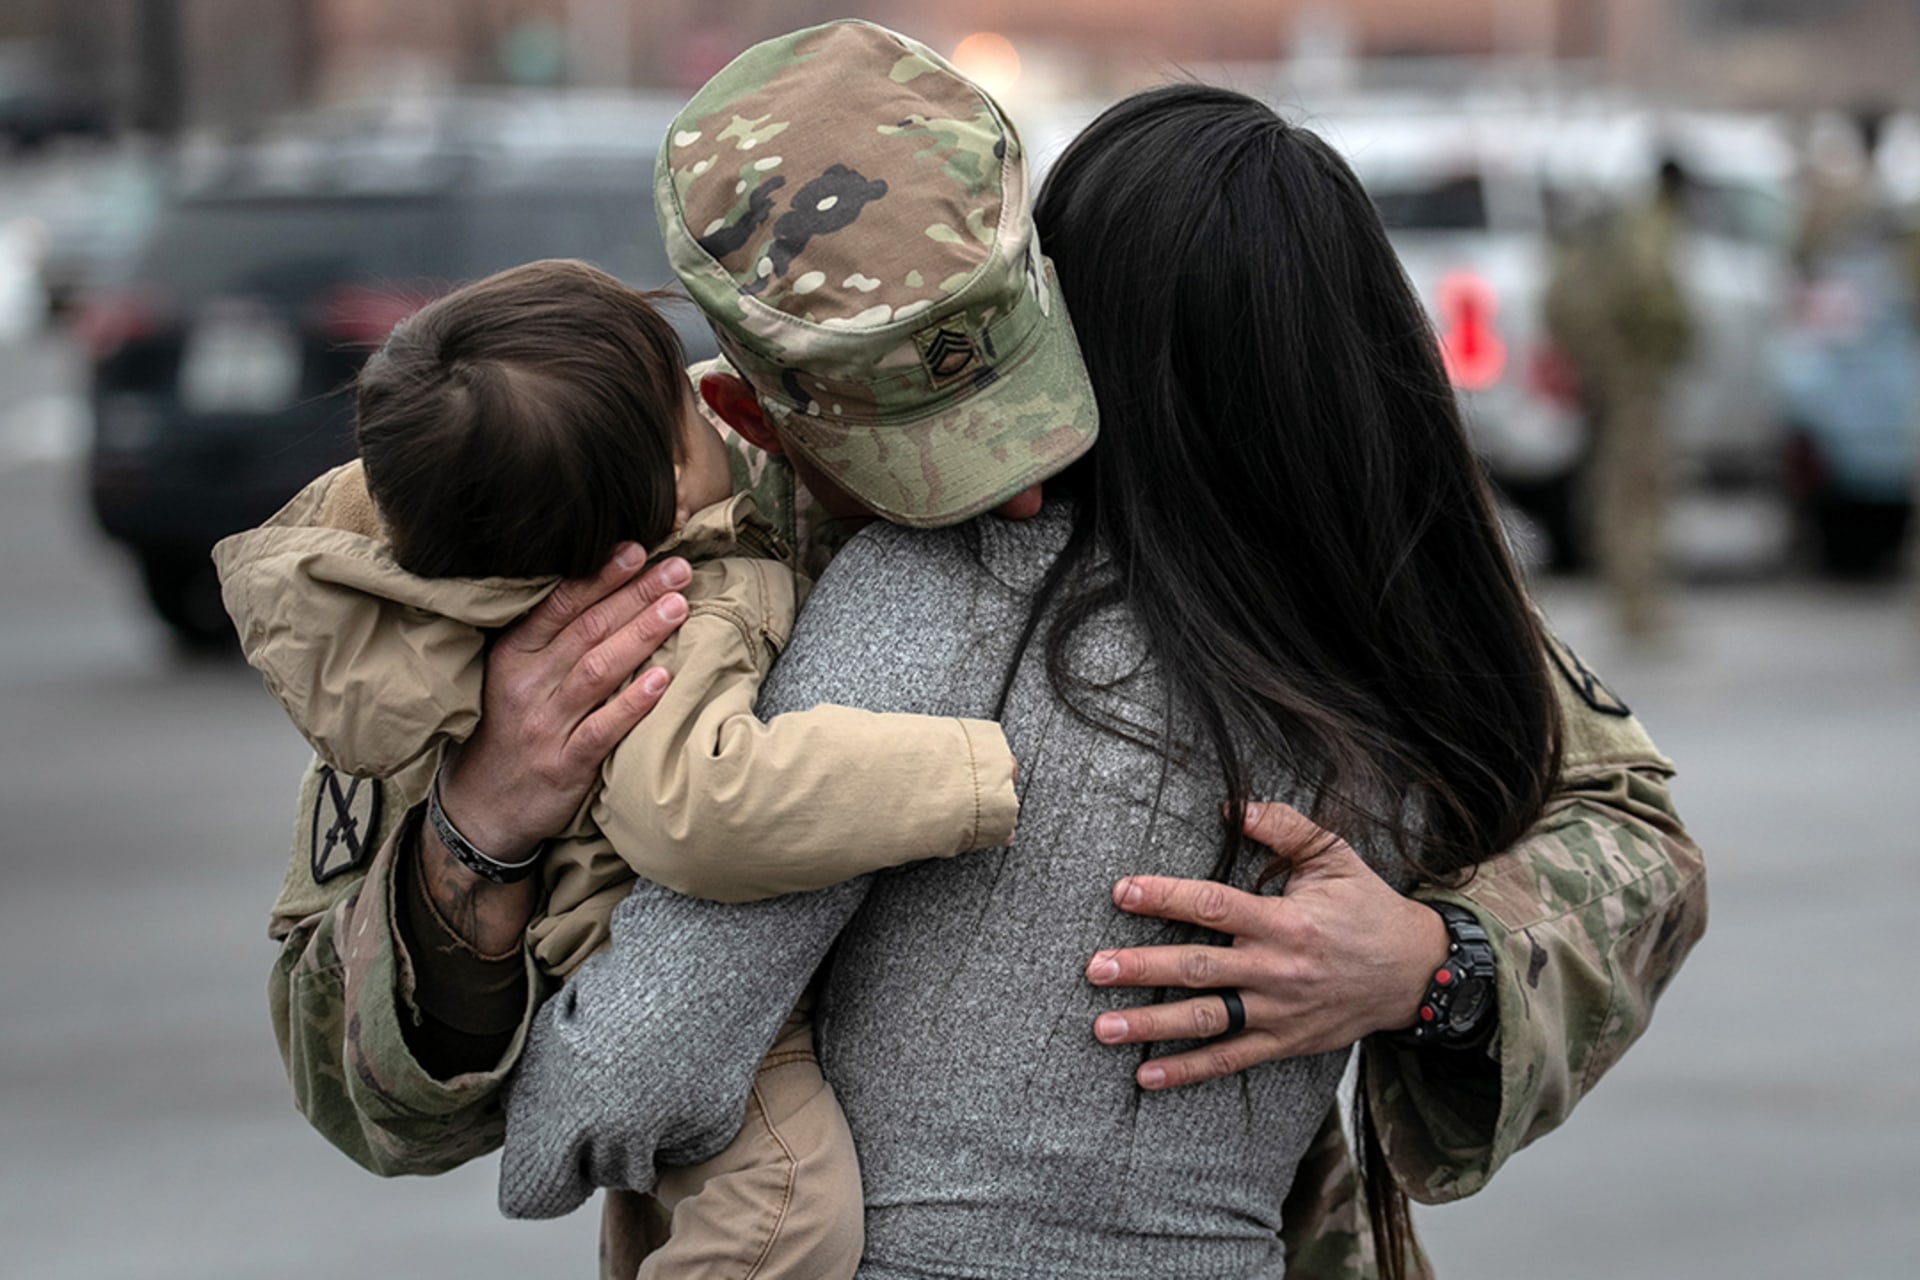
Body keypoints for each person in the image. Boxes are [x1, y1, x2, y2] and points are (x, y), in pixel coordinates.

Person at [259, 22, 1705, 1279]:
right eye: (926, 457)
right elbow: (377, 1100)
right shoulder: (573, 536)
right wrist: (480, 839)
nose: (1017, 495)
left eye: (1029, 409)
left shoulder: (1223, 496)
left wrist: (1431, 964)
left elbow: (1627, 825)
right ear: (754, 418)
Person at [214, 258, 1027, 1276]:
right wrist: (477, 837)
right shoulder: (471, 600)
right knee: (787, 1210)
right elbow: (363, 1097)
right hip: (727, 1084)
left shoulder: (612, 444)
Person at [1544, 157, 1695, 642]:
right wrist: (1669, 344)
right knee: (1637, 493)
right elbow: (1652, 295)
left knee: (1621, 488)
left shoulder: (1608, 234)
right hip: (1634, 378)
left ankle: (1632, 603)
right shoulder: (1647, 228)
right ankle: (1637, 608)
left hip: (1612, 376)